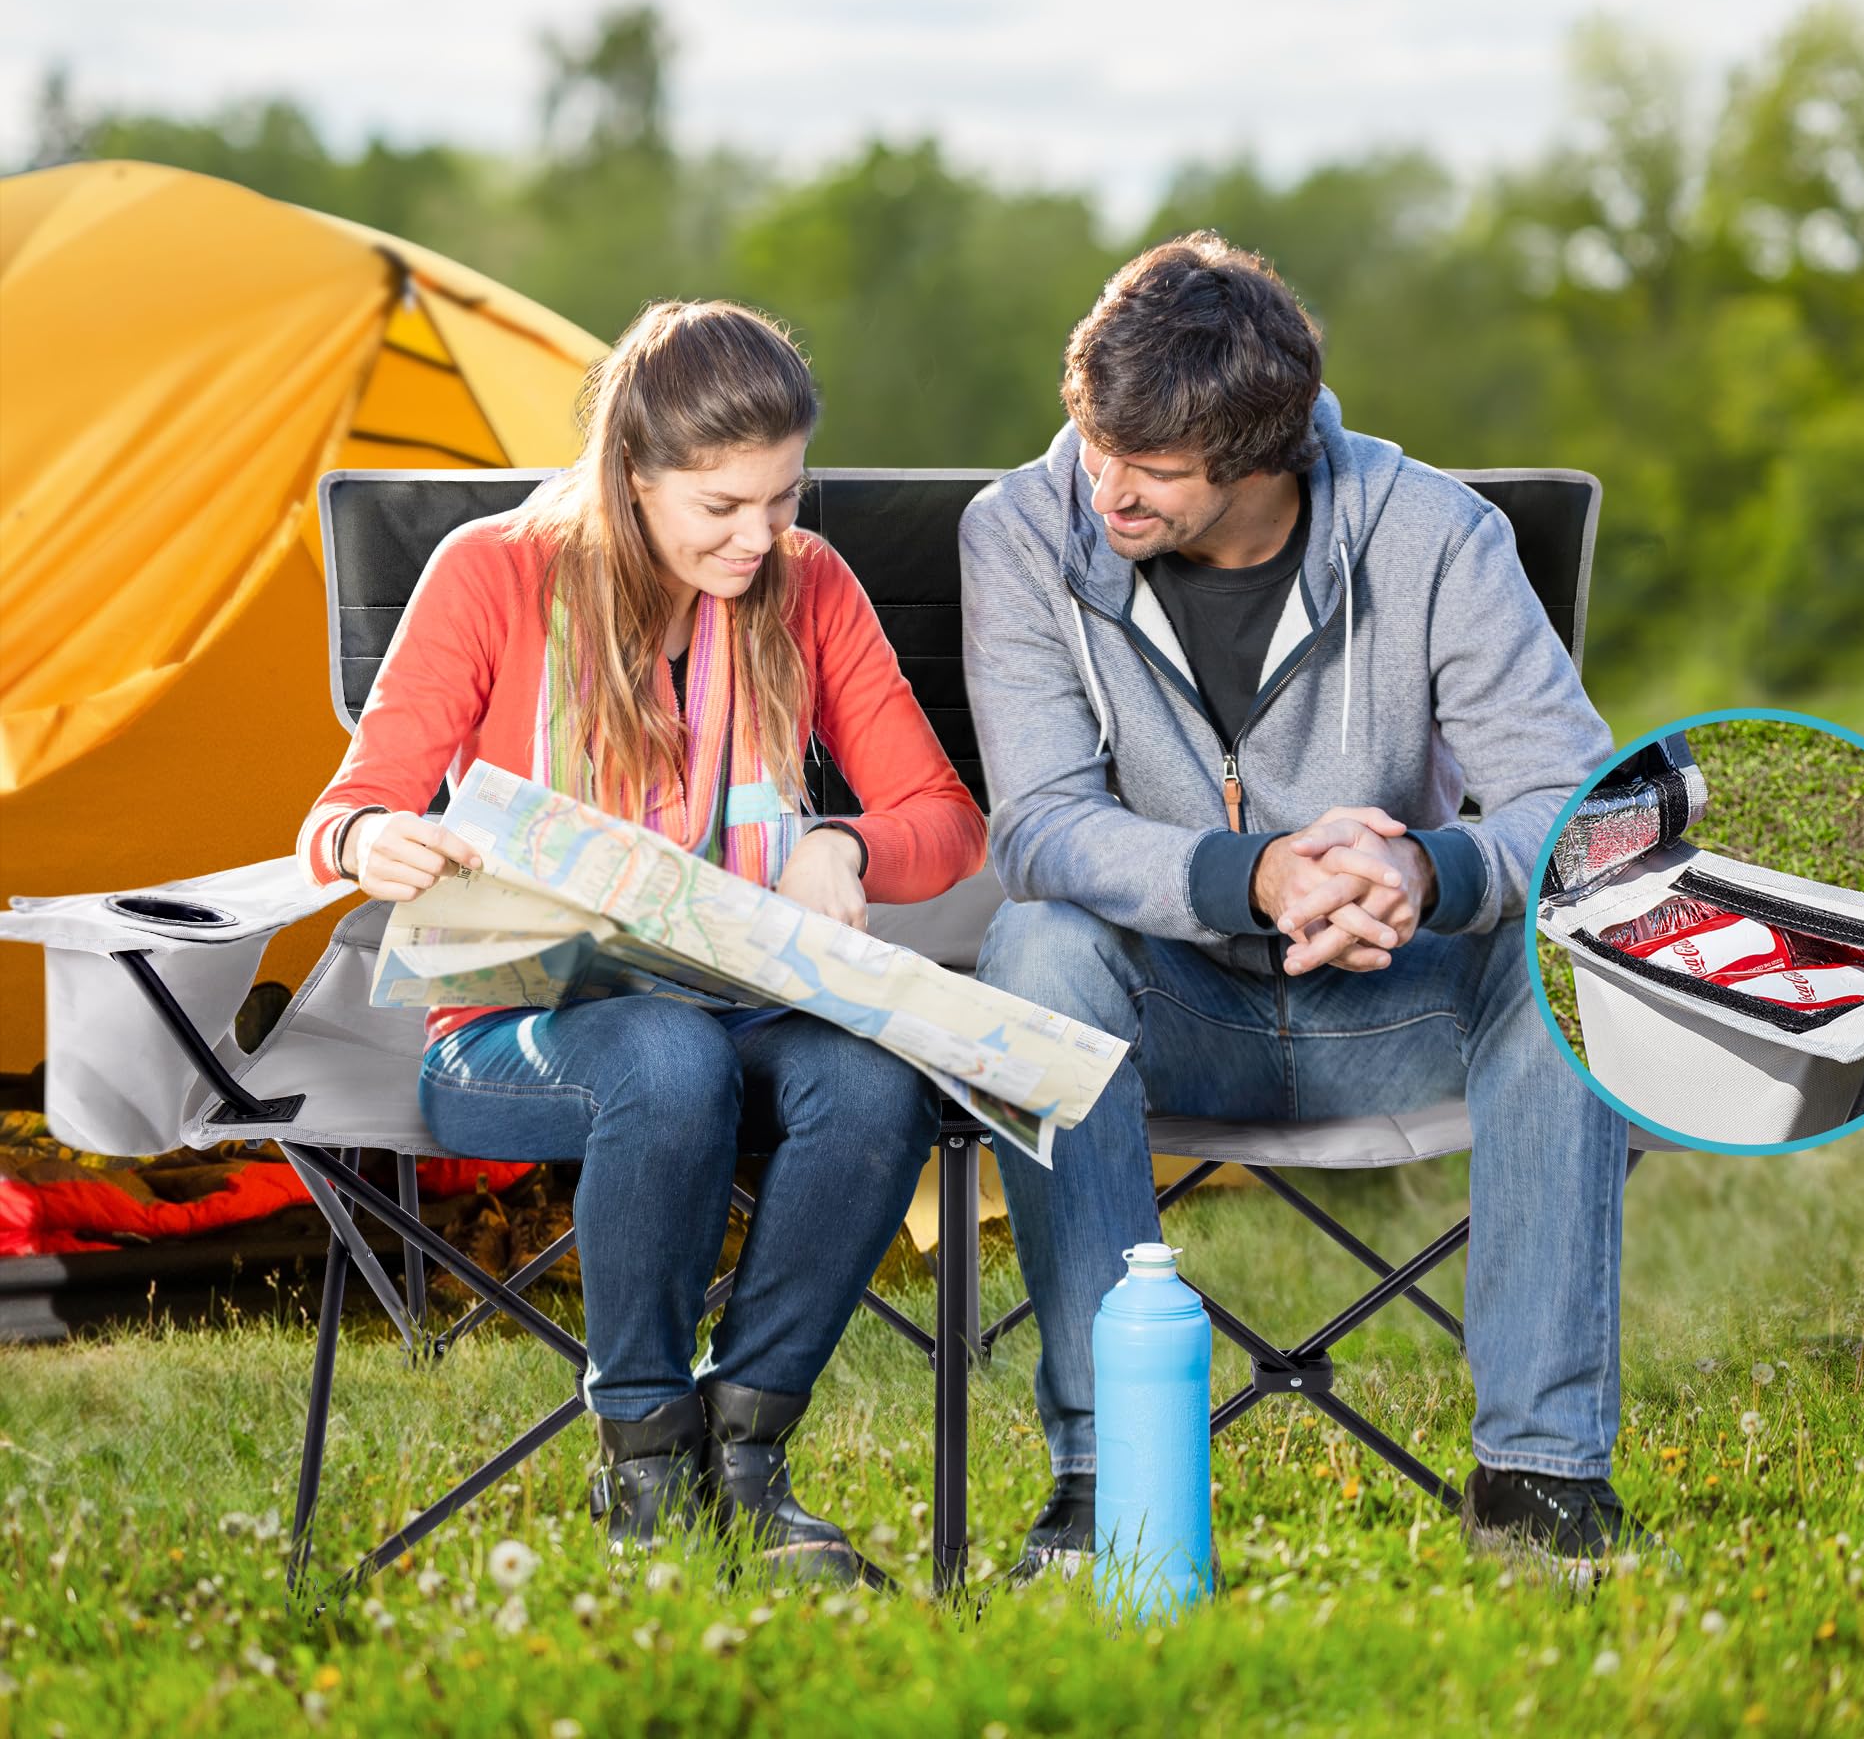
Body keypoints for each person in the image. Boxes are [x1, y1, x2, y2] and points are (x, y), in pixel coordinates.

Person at [959, 233, 1640, 1576]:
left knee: (1574, 953)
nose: (1106, 485)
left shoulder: (1438, 533)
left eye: (1149, 469)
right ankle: (1105, 1482)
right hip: (1175, 1004)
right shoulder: (1024, 529)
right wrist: (1251, 874)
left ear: (1265, 459)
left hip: (1398, 996)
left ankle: (1541, 1483)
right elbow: (1037, 825)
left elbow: (1578, 811)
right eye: (1094, 439)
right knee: (1034, 949)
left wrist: (1422, 873)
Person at [299, 299, 986, 1580]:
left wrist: (844, 843)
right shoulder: (490, 573)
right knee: (666, 1057)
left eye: (780, 498)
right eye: (718, 507)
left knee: (872, 1076)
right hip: (519, 1027)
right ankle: (643, 1465)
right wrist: (369, 846)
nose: (757, 535)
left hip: (745, 1000)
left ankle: (743, 1452)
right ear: (628, 477)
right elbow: (345, 810)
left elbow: (943, 823)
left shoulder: (807, 585)